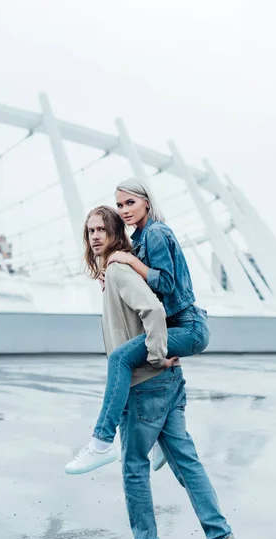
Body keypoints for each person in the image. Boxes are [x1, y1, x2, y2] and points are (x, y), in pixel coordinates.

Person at [66, 205, 245, 539]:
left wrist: (158, 354)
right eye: (89, 231)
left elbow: (152, 310)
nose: (94, 236)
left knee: (133, 466)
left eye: (101, 229)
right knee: (187, 462)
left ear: (116, 234)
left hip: (146, 382)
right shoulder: (122, 268)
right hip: (167, 383)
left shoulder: (119, 269)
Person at [66, 177, 209, 475]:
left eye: (130, 202)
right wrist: (114, 268)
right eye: (120, 205)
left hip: (188, 325)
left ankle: (100, 443)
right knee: (141, 362)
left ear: (147, 201)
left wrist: (126, 262)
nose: (125, 210)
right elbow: (140, 279)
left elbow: (165, 283)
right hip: (178, 325)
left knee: (121, 358)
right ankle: (160, 444)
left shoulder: (156, 232)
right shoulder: (141, 239)